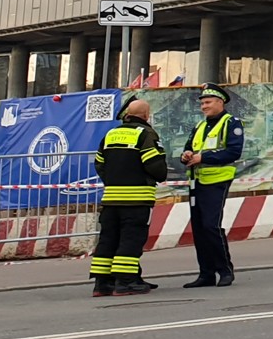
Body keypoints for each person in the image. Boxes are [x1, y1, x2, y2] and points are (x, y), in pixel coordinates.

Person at [91, 98, 168, 297]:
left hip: (111, 198)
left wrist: (113, 180)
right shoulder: (146, 134)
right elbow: (155, 165)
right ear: (145, 115)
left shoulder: (110, 134)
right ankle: (126, 282)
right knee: (131, 239)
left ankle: (102, 283)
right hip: (137, 199)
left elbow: (99, 163)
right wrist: (156, 175)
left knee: (109, 238)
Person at [179, 84, 244, 288]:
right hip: (196, 181)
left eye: (207, 102)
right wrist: (186, 155)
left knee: (211, 225)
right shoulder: (199, 126)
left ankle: (225, 270)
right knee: (198, 228)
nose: (203, 107)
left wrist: (203, 157)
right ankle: (206, 273)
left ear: (220, 102)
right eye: (202, 103)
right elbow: (189, 147)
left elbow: (233, 152)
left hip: (217, 180)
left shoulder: (231, 123)